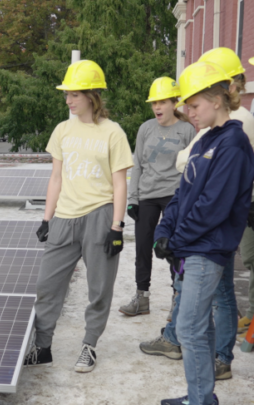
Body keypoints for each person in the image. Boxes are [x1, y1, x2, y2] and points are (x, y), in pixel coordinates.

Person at [143, 48, 254, 382]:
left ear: (217, 100)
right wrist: (164, 231)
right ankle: (202, 395)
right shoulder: (207, 138)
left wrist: (175, 241)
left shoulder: (233, 142)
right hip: (192, 246)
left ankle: (202, 394)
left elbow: (212, 206)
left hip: (207, 248)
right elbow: (184, 192)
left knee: (189, 329)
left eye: (193, 105)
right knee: (199, 326)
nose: (187, 112)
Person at [25, 60, 133, 373]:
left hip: (100, 216)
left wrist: (117, 226)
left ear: (91, 96)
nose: (68, 100)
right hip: (64, 217)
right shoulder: (62, 130)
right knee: (47, 285)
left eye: (74, 94)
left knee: (99, 287)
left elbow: (119, 182)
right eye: (67, 94)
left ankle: (89, 345)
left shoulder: (113, 133)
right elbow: (56, 177)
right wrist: (47, 218)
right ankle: (43, 347)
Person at [119, 77, 195, 318]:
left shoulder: (187, 130)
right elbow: (138, 165)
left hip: (175, 196)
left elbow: (192, 168)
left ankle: (177, 298)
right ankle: (142, 298)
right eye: (154, 103)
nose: (157, 107)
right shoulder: (146, 128)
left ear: (175, 102)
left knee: (173, 248)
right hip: (148, 195)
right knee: (143, 247)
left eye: (162, 102)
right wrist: (133, 198)